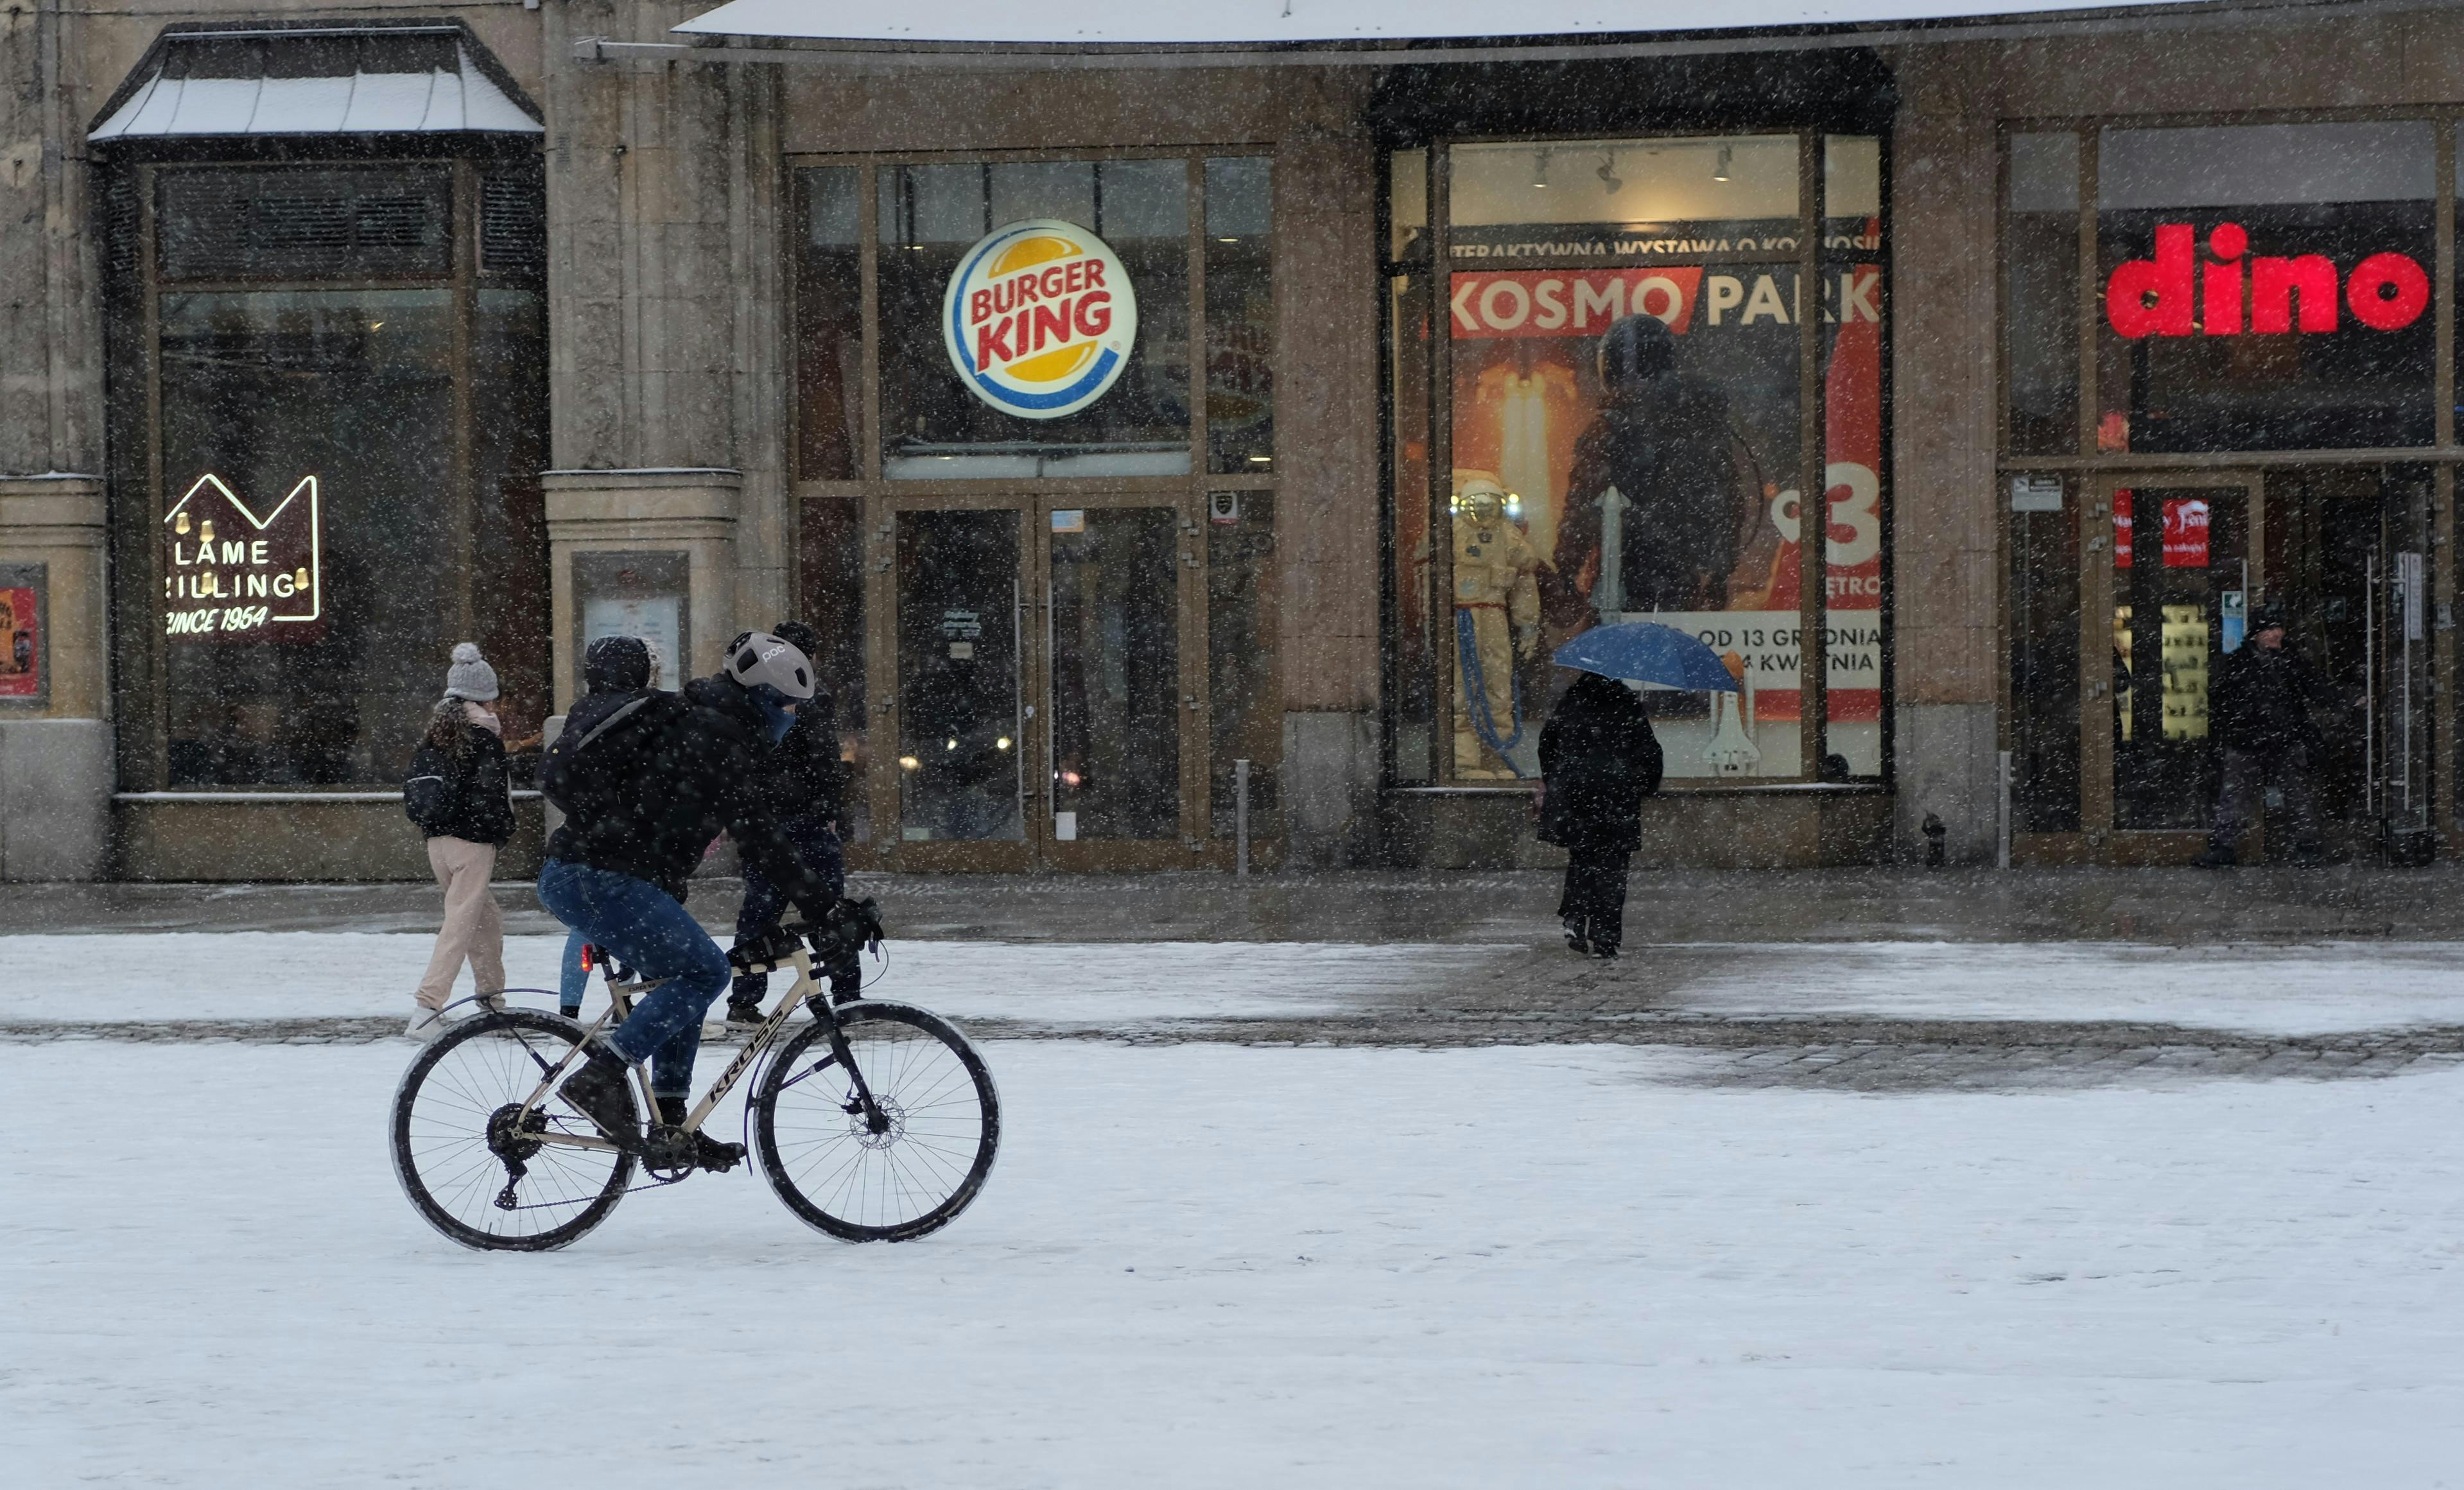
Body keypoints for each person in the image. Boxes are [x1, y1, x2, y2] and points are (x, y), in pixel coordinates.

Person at [539, 632, 836, 1159]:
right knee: (705, 973)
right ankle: (598, 1077)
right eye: (788, 705)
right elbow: (760, 835)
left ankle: (671, 1124)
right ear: (764, 698)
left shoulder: (715, 728)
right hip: (595, 875)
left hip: (606, 874)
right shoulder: (714, 736)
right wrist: (825, 906)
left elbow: (750, 825)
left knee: (687, 982)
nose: (792, 716)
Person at [1548, 313, 1766, 631]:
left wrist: (1566, 572)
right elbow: (1731, 503)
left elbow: (1581, 510)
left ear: (1609, 365)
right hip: (1684, 579)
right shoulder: (1704, 427)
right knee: (1672, 663)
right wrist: (1719, 573)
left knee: (1611, 670)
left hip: (1620, 575)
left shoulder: (1610, 428)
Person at [725, 619, 855, 1023]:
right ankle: (847, 996)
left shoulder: (751, 698)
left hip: (763, 820)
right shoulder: (808, 698)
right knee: (829, 911)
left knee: (759, 911)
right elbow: (825, 760)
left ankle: (744, 999)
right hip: (804, 819)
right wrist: (831, 809)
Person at [403, 643, 518, 1041]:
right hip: (472, 843)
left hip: (438, 842)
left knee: (484, 920)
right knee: (459, 925)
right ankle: (427, 1008)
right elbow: (491, 794)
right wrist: (500, 831)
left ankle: (492, 1003)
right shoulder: (484, 736)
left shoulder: (437, 733)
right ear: (486, 696)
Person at [2194, 600, 2347, 867]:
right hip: (2250, 739)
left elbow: (2314, 686)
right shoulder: (2239, 663)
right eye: (2270, 629)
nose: (2278, 634)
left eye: (2279, 628)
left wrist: (2341, 700)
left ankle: (2306, 844)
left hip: (2281, 737)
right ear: (2256, 634)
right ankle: (2225, 846)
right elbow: (2222, 702)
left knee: (2295, 792)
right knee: (2238, 794)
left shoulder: (2289, 659)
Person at [553, 635, 657, 1020]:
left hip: (583, 839)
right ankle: (637, 1003)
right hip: (627, 844)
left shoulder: (582, 712)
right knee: (647, 927)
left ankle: (569, 1012)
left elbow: (563, 778)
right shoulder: (640, 713)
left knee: (587, 927)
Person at [1536, 669, 1664, 957]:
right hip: (1617, 798)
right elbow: (1650, 753)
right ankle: (1605, 937)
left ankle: (1576, 918)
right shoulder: (1626, 703)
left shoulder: (1572, 701)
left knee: (1583, 859)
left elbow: (1547, 744)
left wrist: (1558, 779)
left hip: (1577, 797)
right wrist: (1642, 784)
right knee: (1613, 869)